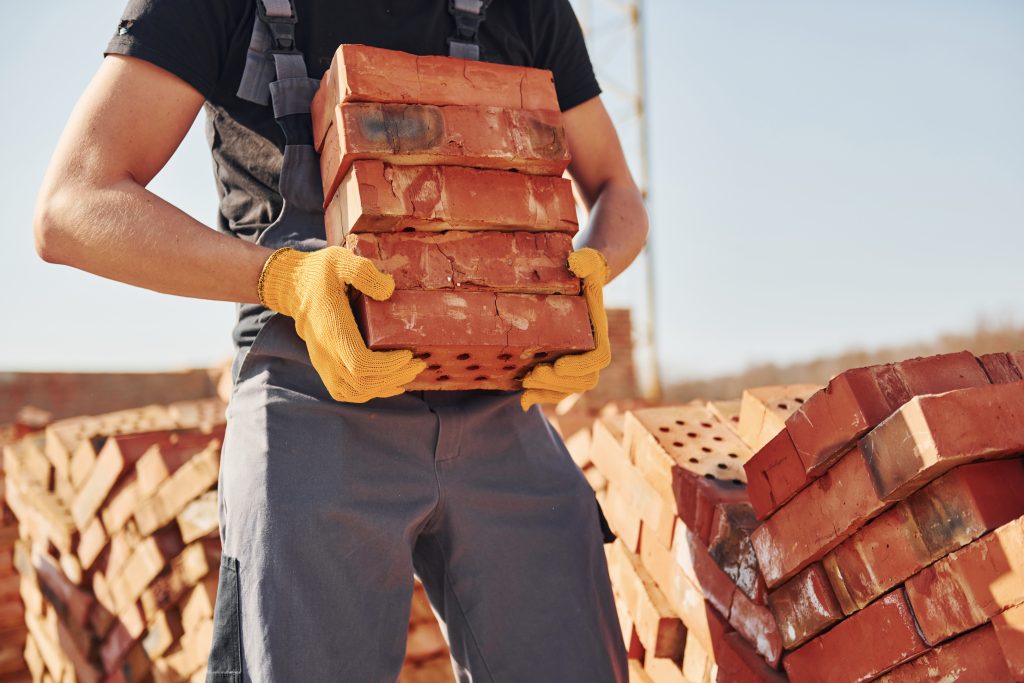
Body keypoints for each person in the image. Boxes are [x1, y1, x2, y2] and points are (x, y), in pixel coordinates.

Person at [33, 0, 649, 680]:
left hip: (498, 398)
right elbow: (73, 203)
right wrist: (284, 279)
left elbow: (618, 190)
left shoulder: (522, 7)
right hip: (307, 398)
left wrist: (583, 279)